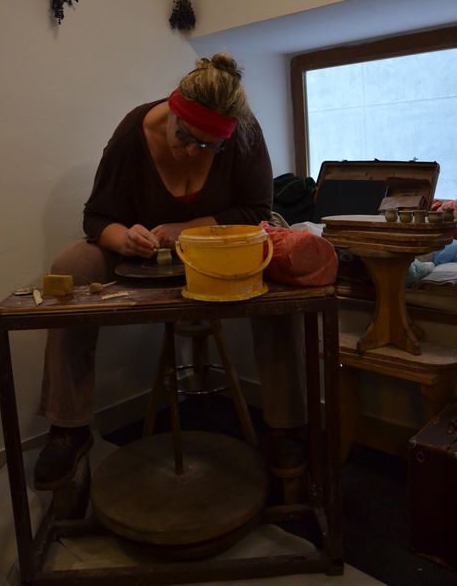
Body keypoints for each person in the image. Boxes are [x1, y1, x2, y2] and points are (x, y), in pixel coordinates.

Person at [34, 53, 307, 490]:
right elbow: (96, 216)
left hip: (218, 250)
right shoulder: (132, 134)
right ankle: (69, 428)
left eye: (209, 146)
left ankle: (286, 427)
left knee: (276, 279)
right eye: (185, 136)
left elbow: (256, 211)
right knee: (71, 266)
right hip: (144, 255)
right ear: (173, 108)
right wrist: (124, 239)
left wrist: (188, 230)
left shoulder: (244, 134)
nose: (192, 151)